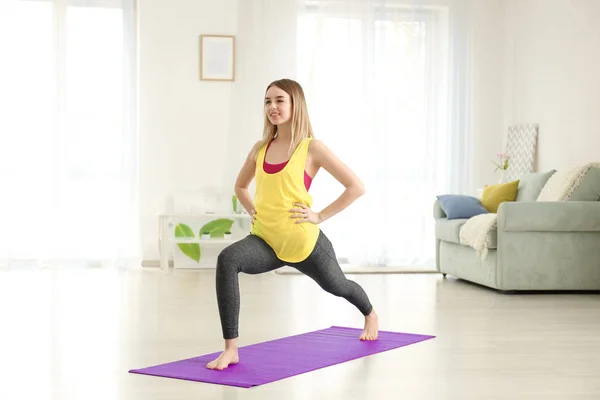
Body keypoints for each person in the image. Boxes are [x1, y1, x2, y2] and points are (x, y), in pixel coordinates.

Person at [206, 78, 379, 370]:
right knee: (227, 259)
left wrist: (319, 216)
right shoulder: (260, 148)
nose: (272, 107)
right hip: (266, 241)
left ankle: (370, 313)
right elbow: (240, 186)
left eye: (279, 100)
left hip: (304, 243)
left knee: (338, 286)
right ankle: (231, 348)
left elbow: (356, 187)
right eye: (267, 101)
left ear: (295, 104)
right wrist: (254, 211)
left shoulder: (312, 148)